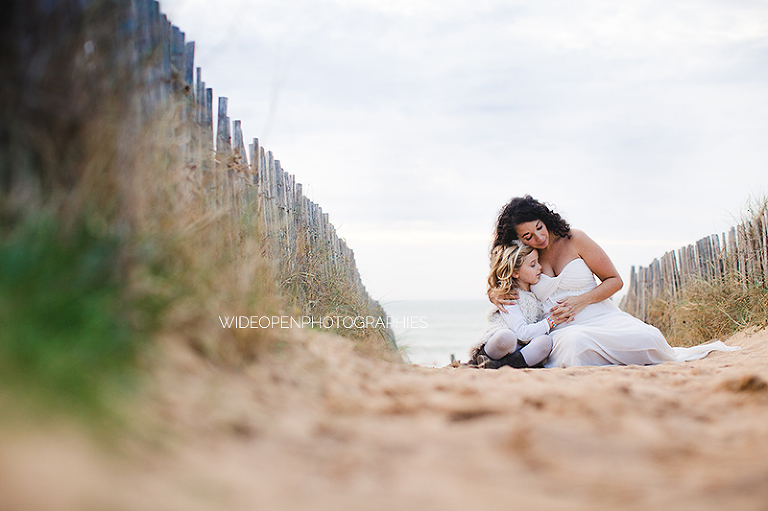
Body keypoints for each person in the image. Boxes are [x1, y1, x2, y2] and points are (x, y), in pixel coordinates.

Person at [488, 195, 739, 368]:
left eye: (540, 227)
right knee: (577, 346)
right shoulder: (526, 257)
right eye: (528, 236)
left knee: (650, 338)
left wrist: (580, 301)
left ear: (544, 218)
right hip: (562, 327)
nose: (539, 238)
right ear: (518, 239)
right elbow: (505, 280)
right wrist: (494, 294)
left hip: (602, 316)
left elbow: (614, 281)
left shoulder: (575, 238)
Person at [469, 241, 561, 369]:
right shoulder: (509, 296)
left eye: (538, 262)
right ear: (516, 273)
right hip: (500, 345)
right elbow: (521, 332)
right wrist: (550, 322)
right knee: (507, 337)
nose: (540, 267)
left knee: (545, 342)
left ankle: (501, 365)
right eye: (533, 265)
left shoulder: (535, 295)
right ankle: (480, 359)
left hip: (519, 347)